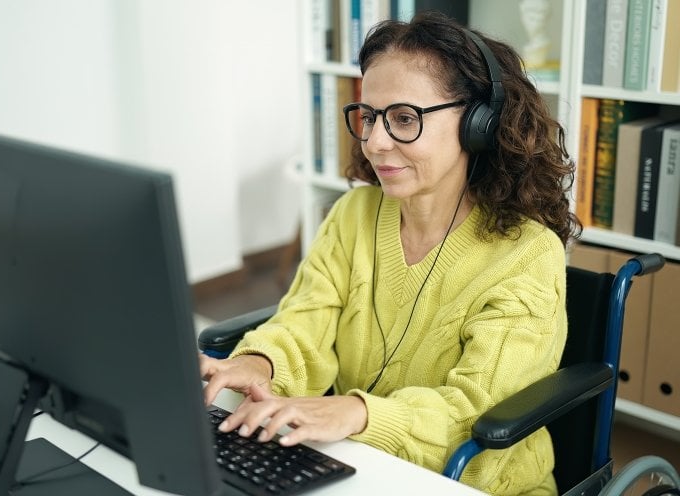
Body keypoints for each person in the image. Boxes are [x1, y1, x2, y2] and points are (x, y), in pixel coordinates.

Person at [200, 10, 580, 495]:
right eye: (371, 116)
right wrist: (259, 365)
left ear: (480, 124)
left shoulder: (526, 254)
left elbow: (475, 413)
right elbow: (305, 322)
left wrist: (354, 412)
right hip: (360, 463)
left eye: (404, 118)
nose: (377, 142)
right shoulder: (352, 214)